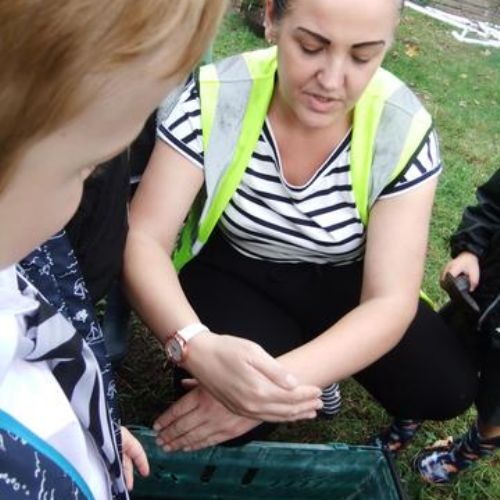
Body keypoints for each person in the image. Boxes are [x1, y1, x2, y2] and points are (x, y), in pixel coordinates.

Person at [124, 0, 478, 453]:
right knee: (225, 410)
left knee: (444, 387)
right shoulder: (217, 93)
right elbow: (144, 237)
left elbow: (390, 299)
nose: (331, 81)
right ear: (271, 19)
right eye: (311, 47)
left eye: (362, 56)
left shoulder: (403, 125)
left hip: (343, 277)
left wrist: (281, 383)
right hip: (236, 266)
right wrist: (195, 346)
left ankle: (313, 357)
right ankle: (306, 354)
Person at [0, 1, 225, 498]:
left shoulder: (20, 256)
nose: (86, 193)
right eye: (85, 169)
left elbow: (40, 352)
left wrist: (84, 424)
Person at [414, 169, 500, 484]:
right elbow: (492, 203)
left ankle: (463, 453)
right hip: (482, 297)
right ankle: (408, 417)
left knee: (496, 411)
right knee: (432, 361)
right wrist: (470, 249)